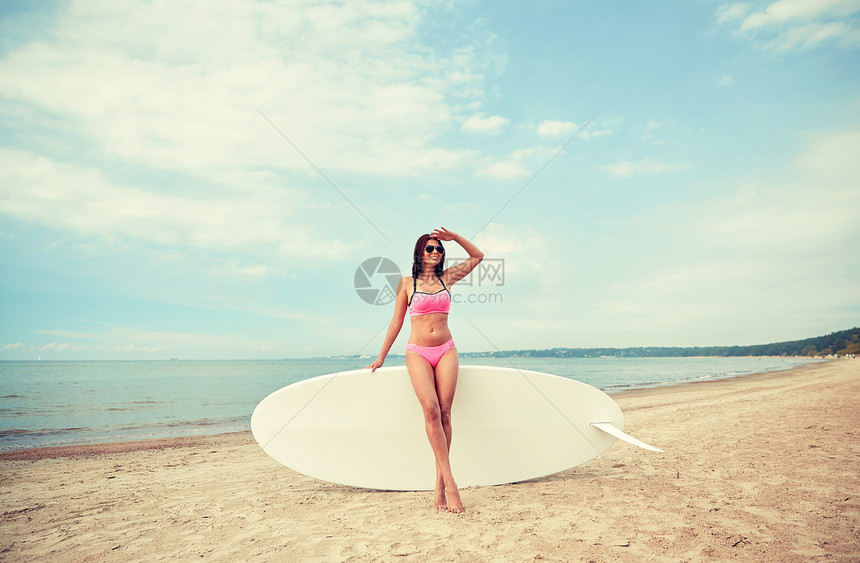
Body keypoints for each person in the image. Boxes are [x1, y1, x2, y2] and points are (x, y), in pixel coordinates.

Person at [366, 227, 483, 513]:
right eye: (430, 248)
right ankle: (451, 483)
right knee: (430, 409)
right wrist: (381, 356)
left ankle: (438, 485)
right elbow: (395, 322)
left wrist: (453, 238)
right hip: (417, 352)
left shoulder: (448, 278)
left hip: (446, 350)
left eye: (439, 249)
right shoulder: (406, 283)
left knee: (444, 412)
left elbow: (478, 256)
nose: (435, 252)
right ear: (419, 252)